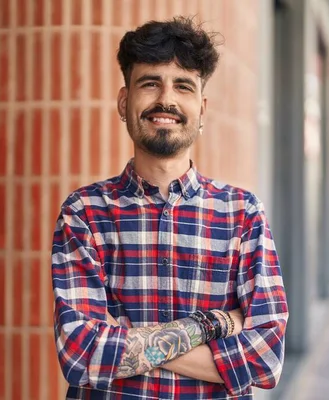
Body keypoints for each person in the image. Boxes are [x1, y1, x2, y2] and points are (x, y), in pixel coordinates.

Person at [51, 16, 288, 399]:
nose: (167, 99)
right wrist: (212, 324)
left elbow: (264, 359)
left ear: (202, 109)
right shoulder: (84, 213)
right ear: (124, 102)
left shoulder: (243, 214)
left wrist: (123, 338)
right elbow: (81, 355)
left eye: (183, 86)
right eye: (150, 83)